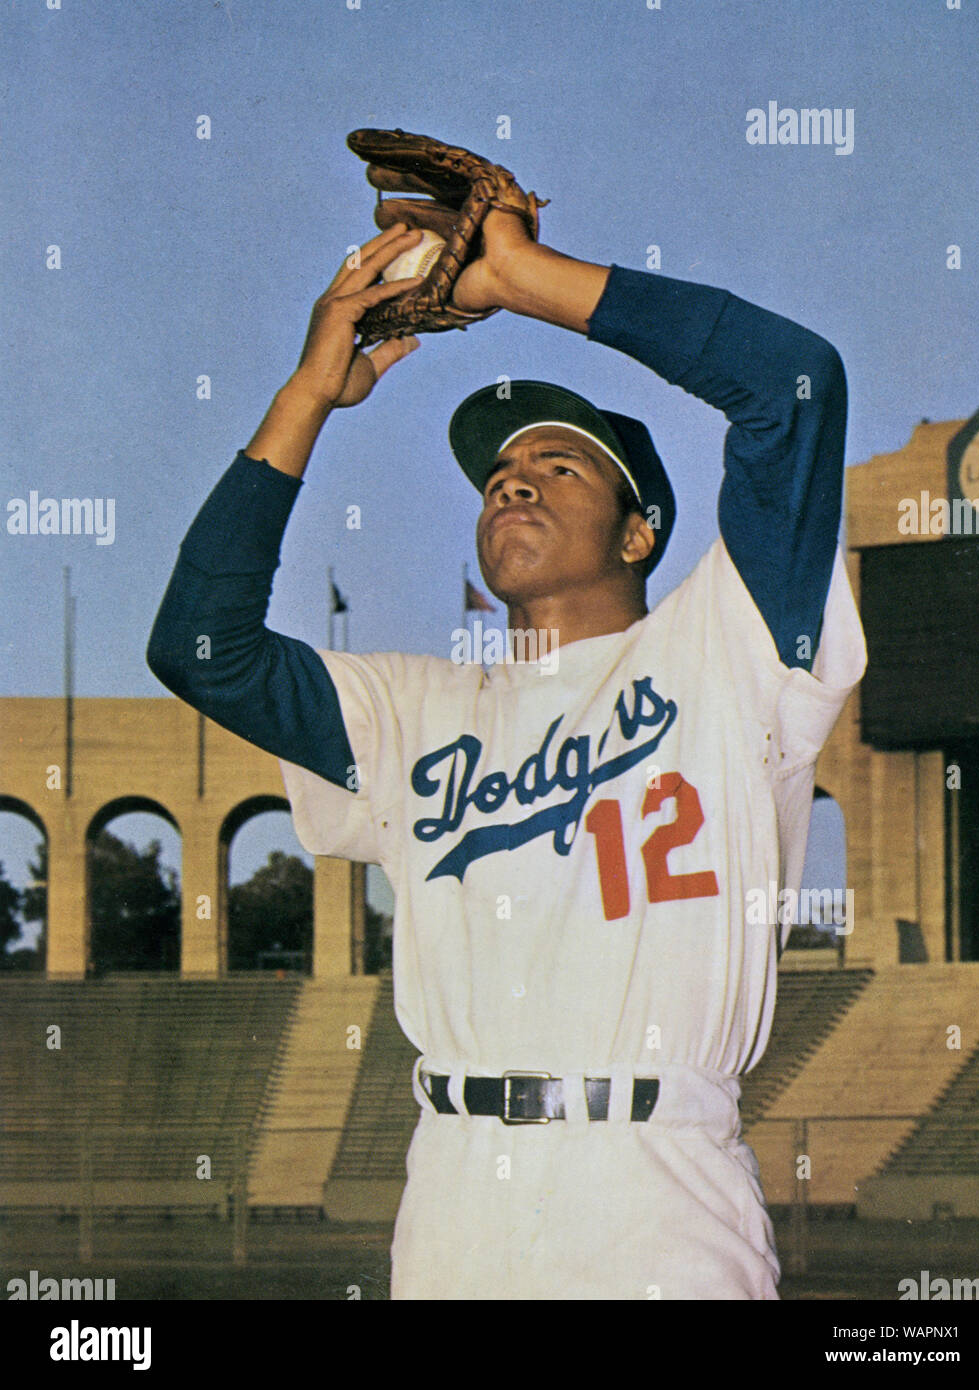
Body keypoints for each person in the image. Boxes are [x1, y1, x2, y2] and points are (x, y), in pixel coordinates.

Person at [148, 209, 867, 1299]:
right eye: (498, 471)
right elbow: (202, 648)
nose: (513, 478)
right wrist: (307, 396)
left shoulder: (724, 644)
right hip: (452, 1197)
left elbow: (796, 387)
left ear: (638, 533)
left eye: (560, 466)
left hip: (653, 1190)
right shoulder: (413, 708)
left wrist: (522, 276)